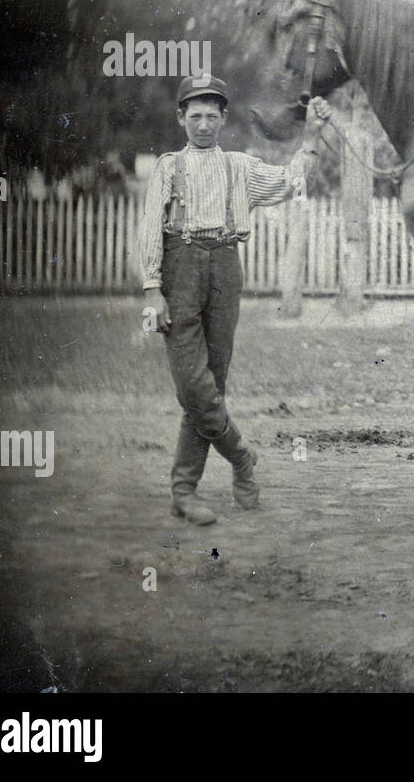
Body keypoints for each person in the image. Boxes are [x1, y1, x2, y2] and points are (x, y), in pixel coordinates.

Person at [140, 74, 330, 525]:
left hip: (226, 269)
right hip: (179, 271)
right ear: (181, 117)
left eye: (212, 116)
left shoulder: (240, 167)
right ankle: (242, 455)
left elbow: (291, 183)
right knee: (193, 385)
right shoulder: (169, 166)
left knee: (213, 384)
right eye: (195, 115)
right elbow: (150, 226)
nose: (203, 125)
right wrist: (152, 290)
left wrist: (313, 135)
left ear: (224, 119)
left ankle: (183, 492)